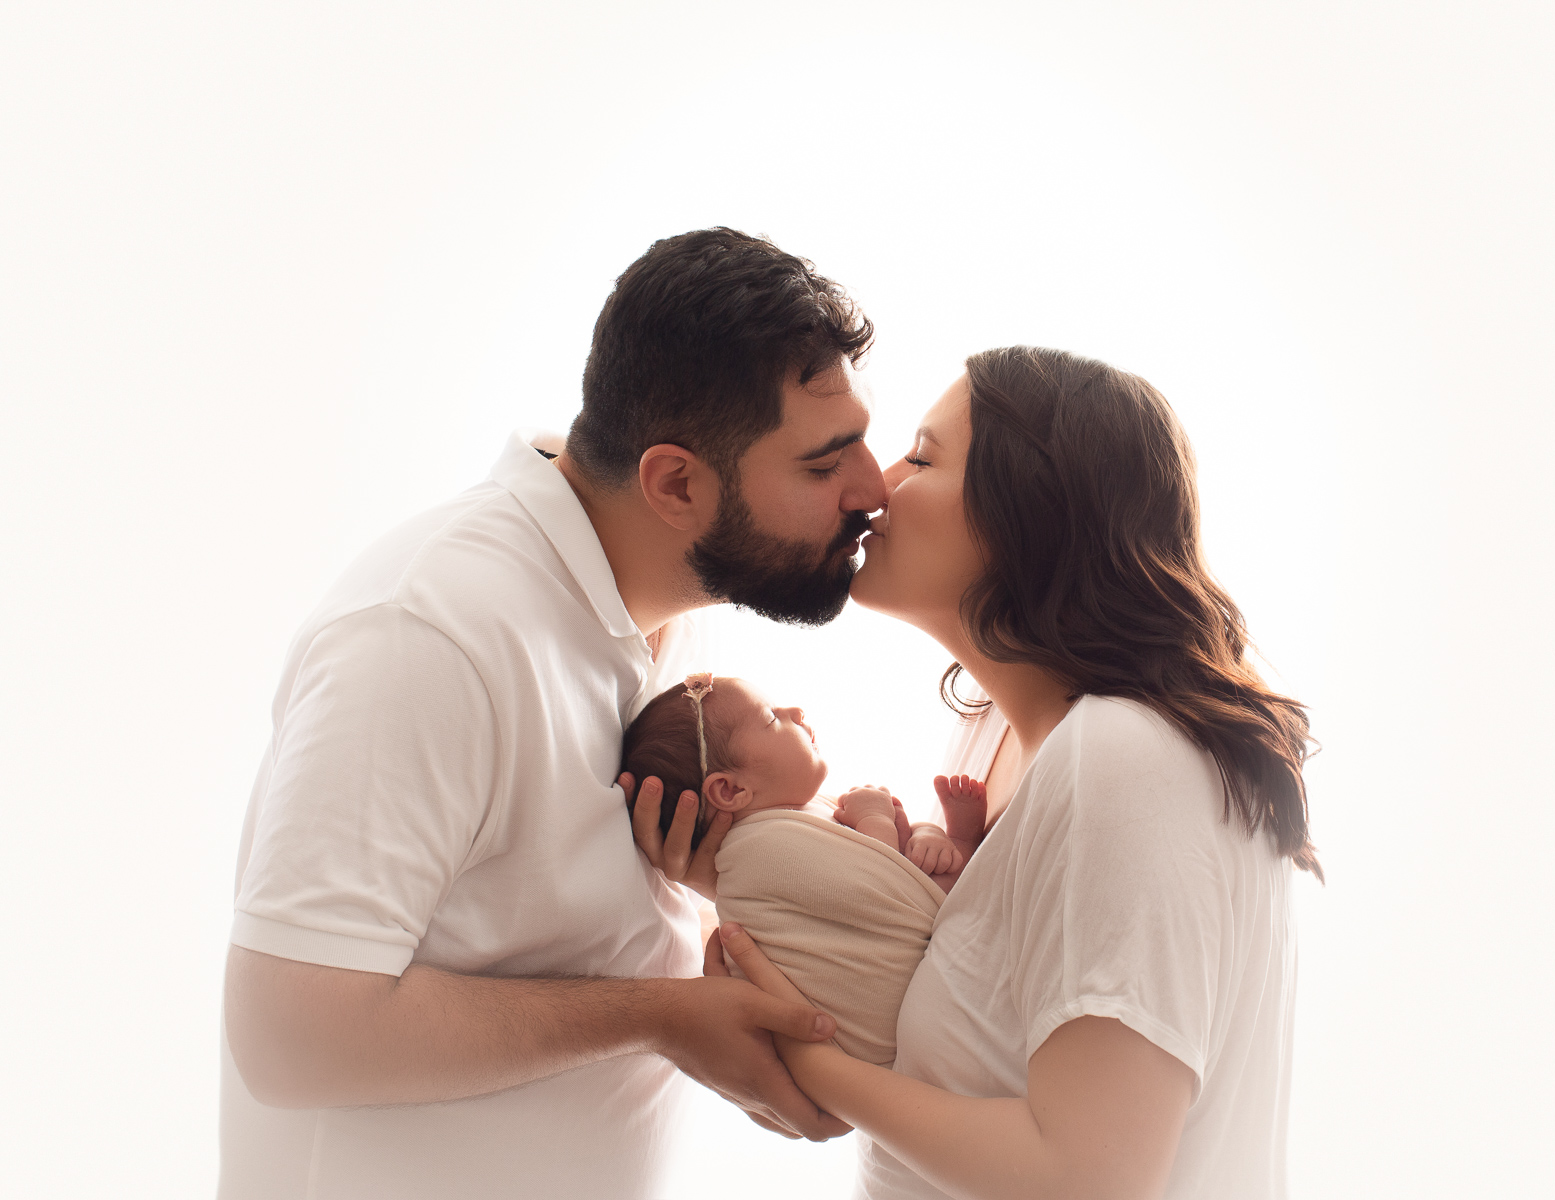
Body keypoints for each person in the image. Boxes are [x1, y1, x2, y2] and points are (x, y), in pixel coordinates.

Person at [219, 228, 889, 1199]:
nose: (873, 490)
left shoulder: (663, 610)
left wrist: (723, 896)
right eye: (825, 463)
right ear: (675, 484)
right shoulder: (432, 632)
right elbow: (288, 1036)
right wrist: (659, 1016)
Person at [658, 346, 1319, 1199]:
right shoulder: (990, 741)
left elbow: (1089, 1176)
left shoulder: (1124, 754)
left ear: (1026, 513)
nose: (874, 487)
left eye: (923, 457)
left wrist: (810, 1061)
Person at [621, 673, 984, 1067]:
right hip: (884, 1021)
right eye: (772, 718)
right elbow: (874, 890)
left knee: (930, 854)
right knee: (947, 881)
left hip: (890, 1011)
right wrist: (877, 822)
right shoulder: (759, 849)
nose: (795, 711)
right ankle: (963, 844)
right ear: (731, 791)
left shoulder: (783, 822)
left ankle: (954, 845)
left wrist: (921, 834)